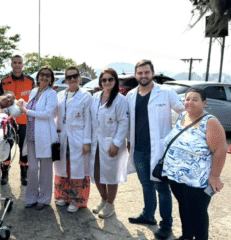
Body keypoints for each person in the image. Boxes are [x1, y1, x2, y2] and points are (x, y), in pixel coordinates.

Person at [126, 59, 185, 240]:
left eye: (146, 72)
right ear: (135, 75)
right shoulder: (130, 95)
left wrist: (174, 136)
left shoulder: (166, 92)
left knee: (162, 187)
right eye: (140, 73)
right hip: (139, 149)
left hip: (159, 151)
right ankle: (148, 215)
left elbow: (183, 112)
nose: (143, 76)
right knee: (146, 185)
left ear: (152, 73)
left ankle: (166, 224)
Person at [162, 88, 227, 240]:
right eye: (187, 99)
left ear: (204, 103)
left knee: (198, 213)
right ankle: (186, 235)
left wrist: (215, 176)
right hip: (176, 177)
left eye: (195, 99)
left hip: (197, 181)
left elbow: (220, 150)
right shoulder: (183, 116)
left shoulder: (210, 122)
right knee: (184, 208)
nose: (189, 102)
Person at [16, 67, 58, 210]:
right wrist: (23, 104)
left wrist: (25, 111)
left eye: (47, 75)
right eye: (42, 75)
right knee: (32, 169)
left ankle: (44, 199)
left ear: (51, 79)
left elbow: (46, 114)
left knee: (46, 170)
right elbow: (33, 108)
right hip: (32, 135)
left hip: (45, 136)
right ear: (38, 77)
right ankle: (31, 197)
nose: (44, 77)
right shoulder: (34, 91)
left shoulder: (52, 94)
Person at [90, 68, 129, 218]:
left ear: (115, 81)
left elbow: (123, 122)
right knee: (97, 172)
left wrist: (117, 143)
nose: (107, 82)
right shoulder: (95, 97)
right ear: (100, 82)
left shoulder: (120, 100)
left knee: (111, 175)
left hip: (111, 142)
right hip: (96, 141)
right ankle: (103, 199)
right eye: (104, 80)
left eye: (110, 79)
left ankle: (110, 205)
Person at [54, 66, 92, 213]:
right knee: (63, 167)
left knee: (77, 169)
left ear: (79, 77)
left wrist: (87, 142)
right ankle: (63, 196)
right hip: (62, 136)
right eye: (68, 77)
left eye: (74, 76)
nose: (72, 80)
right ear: (66, 79)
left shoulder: (86, 96)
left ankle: (77, 200)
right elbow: (53, 114)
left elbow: (88, 121)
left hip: (78, 138)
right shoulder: (60, 95)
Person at [0, 55, 34, 186]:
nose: (17, 65)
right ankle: (4, 174)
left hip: (25, 121)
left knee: (24, 149)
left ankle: (23, 174)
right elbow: (0, 100)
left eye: (19, 63)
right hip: (9, 121)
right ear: (11, 64)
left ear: (22, 65)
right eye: (15, 62)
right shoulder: (4, 80)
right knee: (6, 147)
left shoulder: (30, 80)